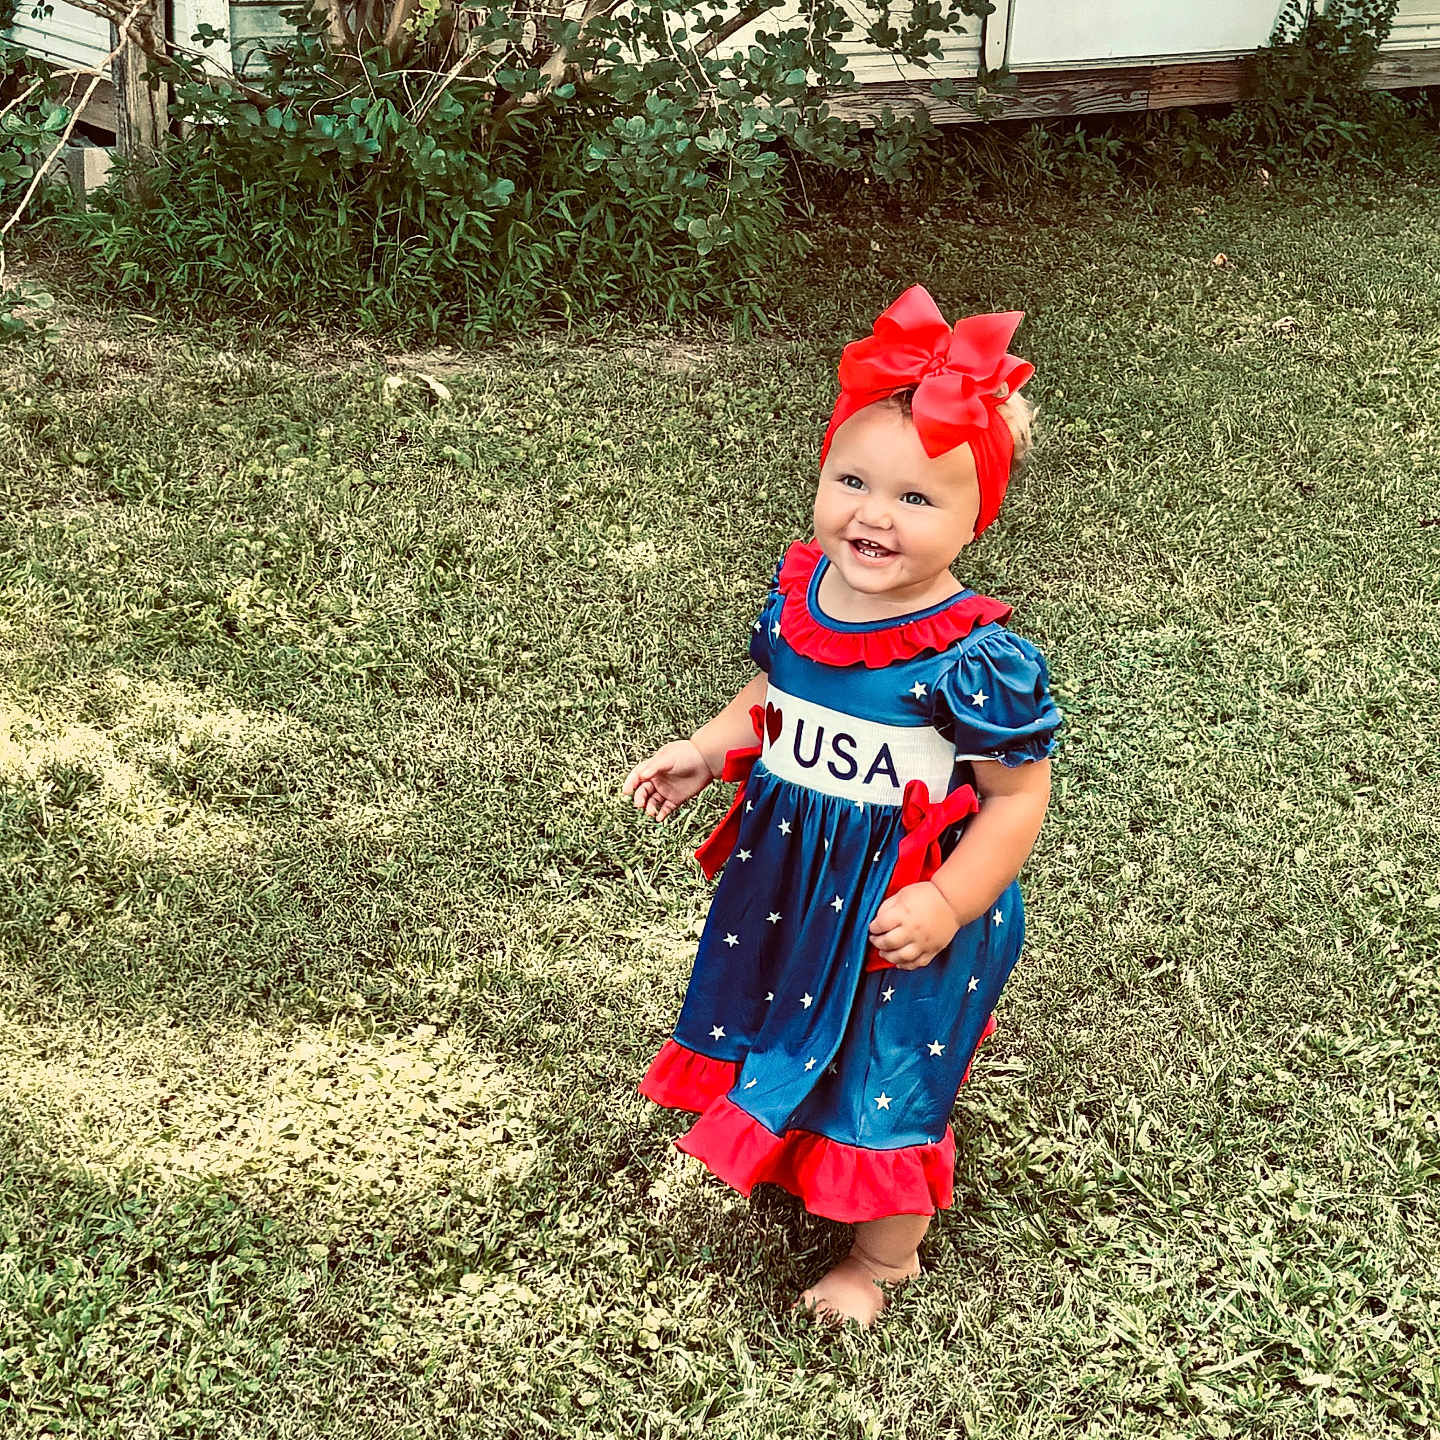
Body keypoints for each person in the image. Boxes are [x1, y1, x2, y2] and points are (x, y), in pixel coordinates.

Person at [622, 286, 1062, 1327]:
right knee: (794, 1018)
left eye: (916, 499)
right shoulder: (802, 594)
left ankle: (881, 1260)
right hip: (791, 878)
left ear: (972, 517)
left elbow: (1016, 798)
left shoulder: (975, 657)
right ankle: (795, 1143)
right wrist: (705, 749)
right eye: (853, 481)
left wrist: (951, 904)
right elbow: (770, 702)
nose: (873, 513)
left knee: (884, 1059)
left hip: (900, 905)